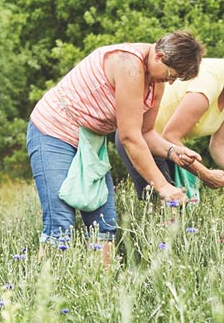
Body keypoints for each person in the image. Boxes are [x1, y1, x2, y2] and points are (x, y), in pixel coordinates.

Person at [26, 31, 205, 259]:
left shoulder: (156, 80)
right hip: (53, 132)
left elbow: (146, 132)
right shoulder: (129, 65)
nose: (170, 81)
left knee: (104, 224)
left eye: (175, 79)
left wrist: (173, 152)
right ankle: (43, 291)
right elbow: (129, 137)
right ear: (159, 56)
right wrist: (162, 186)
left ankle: (102, 291)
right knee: (60, 223)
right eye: (171, 74)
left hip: (89, 143)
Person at [116, 57, 224, 198]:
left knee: (179, 211)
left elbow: (218, 144)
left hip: (170, 149)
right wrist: (206, 175)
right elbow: (170, 136)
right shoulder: (209, 82)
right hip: (142, 140)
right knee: (166, 208)